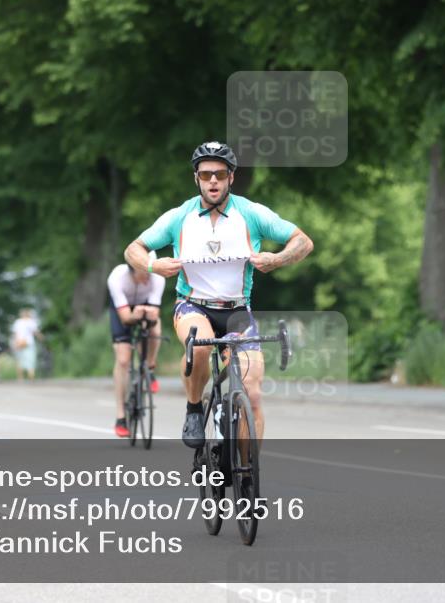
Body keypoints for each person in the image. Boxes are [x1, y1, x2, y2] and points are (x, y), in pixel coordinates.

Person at [124, 140, 314, 449]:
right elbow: (133, 248)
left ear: (231, 178)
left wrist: (277, 259)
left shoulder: (251, 213)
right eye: (206, 174)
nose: (214, 181)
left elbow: (302, 241)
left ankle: (247, 478)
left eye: (221, 174)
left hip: (238, 310)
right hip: (193, 306)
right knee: (199, 347)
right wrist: (152, 264)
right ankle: (194, 407)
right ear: (195, 178)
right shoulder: (179, 217)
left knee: (252, 395)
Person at [108, 251, 167, 437]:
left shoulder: (157, 278)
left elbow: (155, 315)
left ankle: (149, 367)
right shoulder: (117, 278)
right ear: (133, 269)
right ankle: (120, 416)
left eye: (151, 270)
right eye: (145, 271)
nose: (149, 276)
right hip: (123, 310)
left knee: (155, 330)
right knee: (124, 360)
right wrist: (135, 315)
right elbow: (125, 318)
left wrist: (147, 316)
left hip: (145, 306)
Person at [11, 308, 44, 380]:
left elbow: (15, 334)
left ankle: (20, 377)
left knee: (20, 361)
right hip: (29, 343)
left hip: (19, 343)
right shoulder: (31, 322)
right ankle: (31, 377)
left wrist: (15, 343)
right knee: (31, 360)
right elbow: (36, 332)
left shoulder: (18, 322)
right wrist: (41, 338)